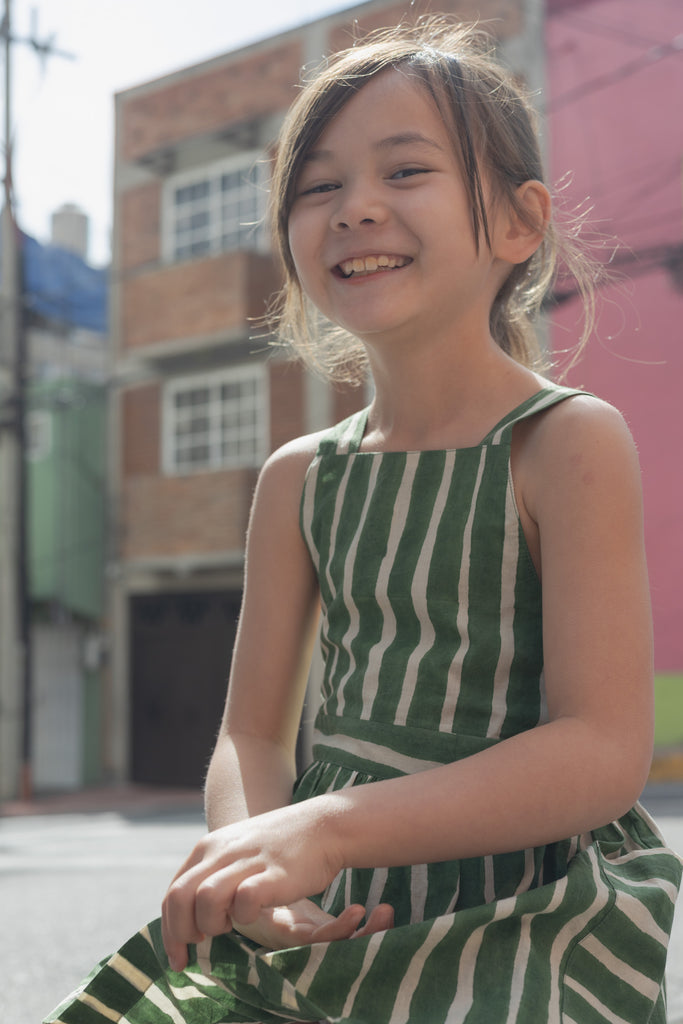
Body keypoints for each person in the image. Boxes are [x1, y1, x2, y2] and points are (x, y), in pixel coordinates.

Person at [46, 18, 681, 1024]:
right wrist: (253, 860)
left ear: (517, 225)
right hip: (323, 902)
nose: (354, 209)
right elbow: (251, 733)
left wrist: (330, 829)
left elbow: (600, 749)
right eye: (317, 187)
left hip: (514, 915)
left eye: (405, 169)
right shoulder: (298, 475)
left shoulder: (565, 441)